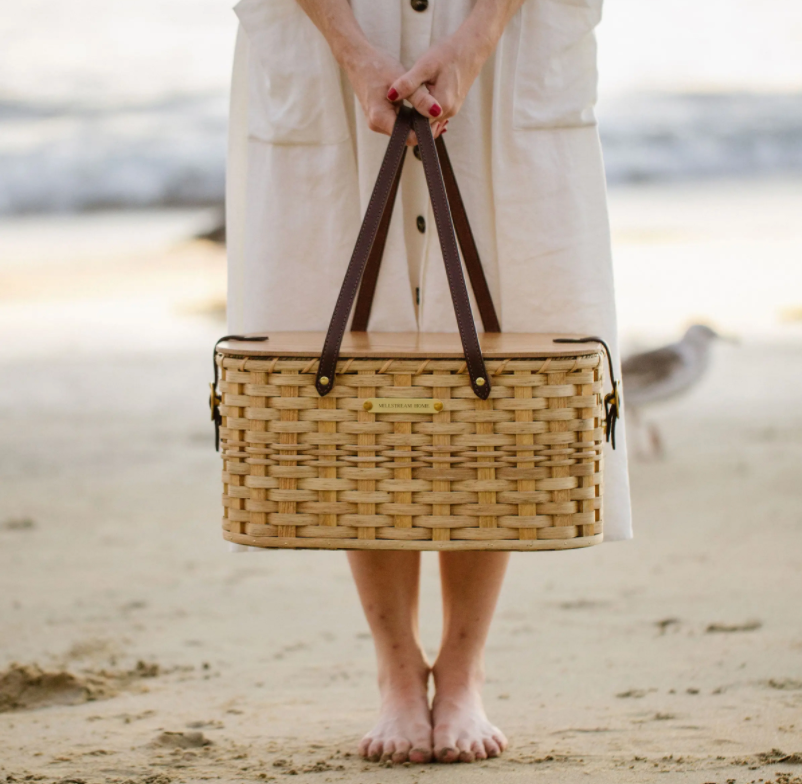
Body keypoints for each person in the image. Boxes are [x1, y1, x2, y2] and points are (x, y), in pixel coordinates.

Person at [226, 0, 632, 765]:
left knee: (499, 341)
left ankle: (466, 666)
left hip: (508, 29)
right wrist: (350, 48)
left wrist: (478, 37)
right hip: (330, 25)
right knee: (346, 346)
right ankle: (396, 665)